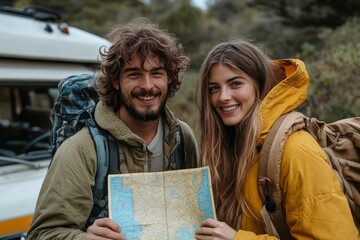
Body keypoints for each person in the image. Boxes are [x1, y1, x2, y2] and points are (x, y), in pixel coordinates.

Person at [27, 19, 199, 240]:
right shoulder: (83, 149)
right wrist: (85, 239)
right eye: (134, 74)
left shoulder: (182, 138)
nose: (147, 85)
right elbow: (42, 233)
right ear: (116, 81)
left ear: (170, 79)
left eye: (157, 73)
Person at [194, 39, 359, 239]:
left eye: (235, 83)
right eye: (214, 88)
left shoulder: (296, 149)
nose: (223, 97)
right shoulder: (229, 148)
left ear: (260, 85)